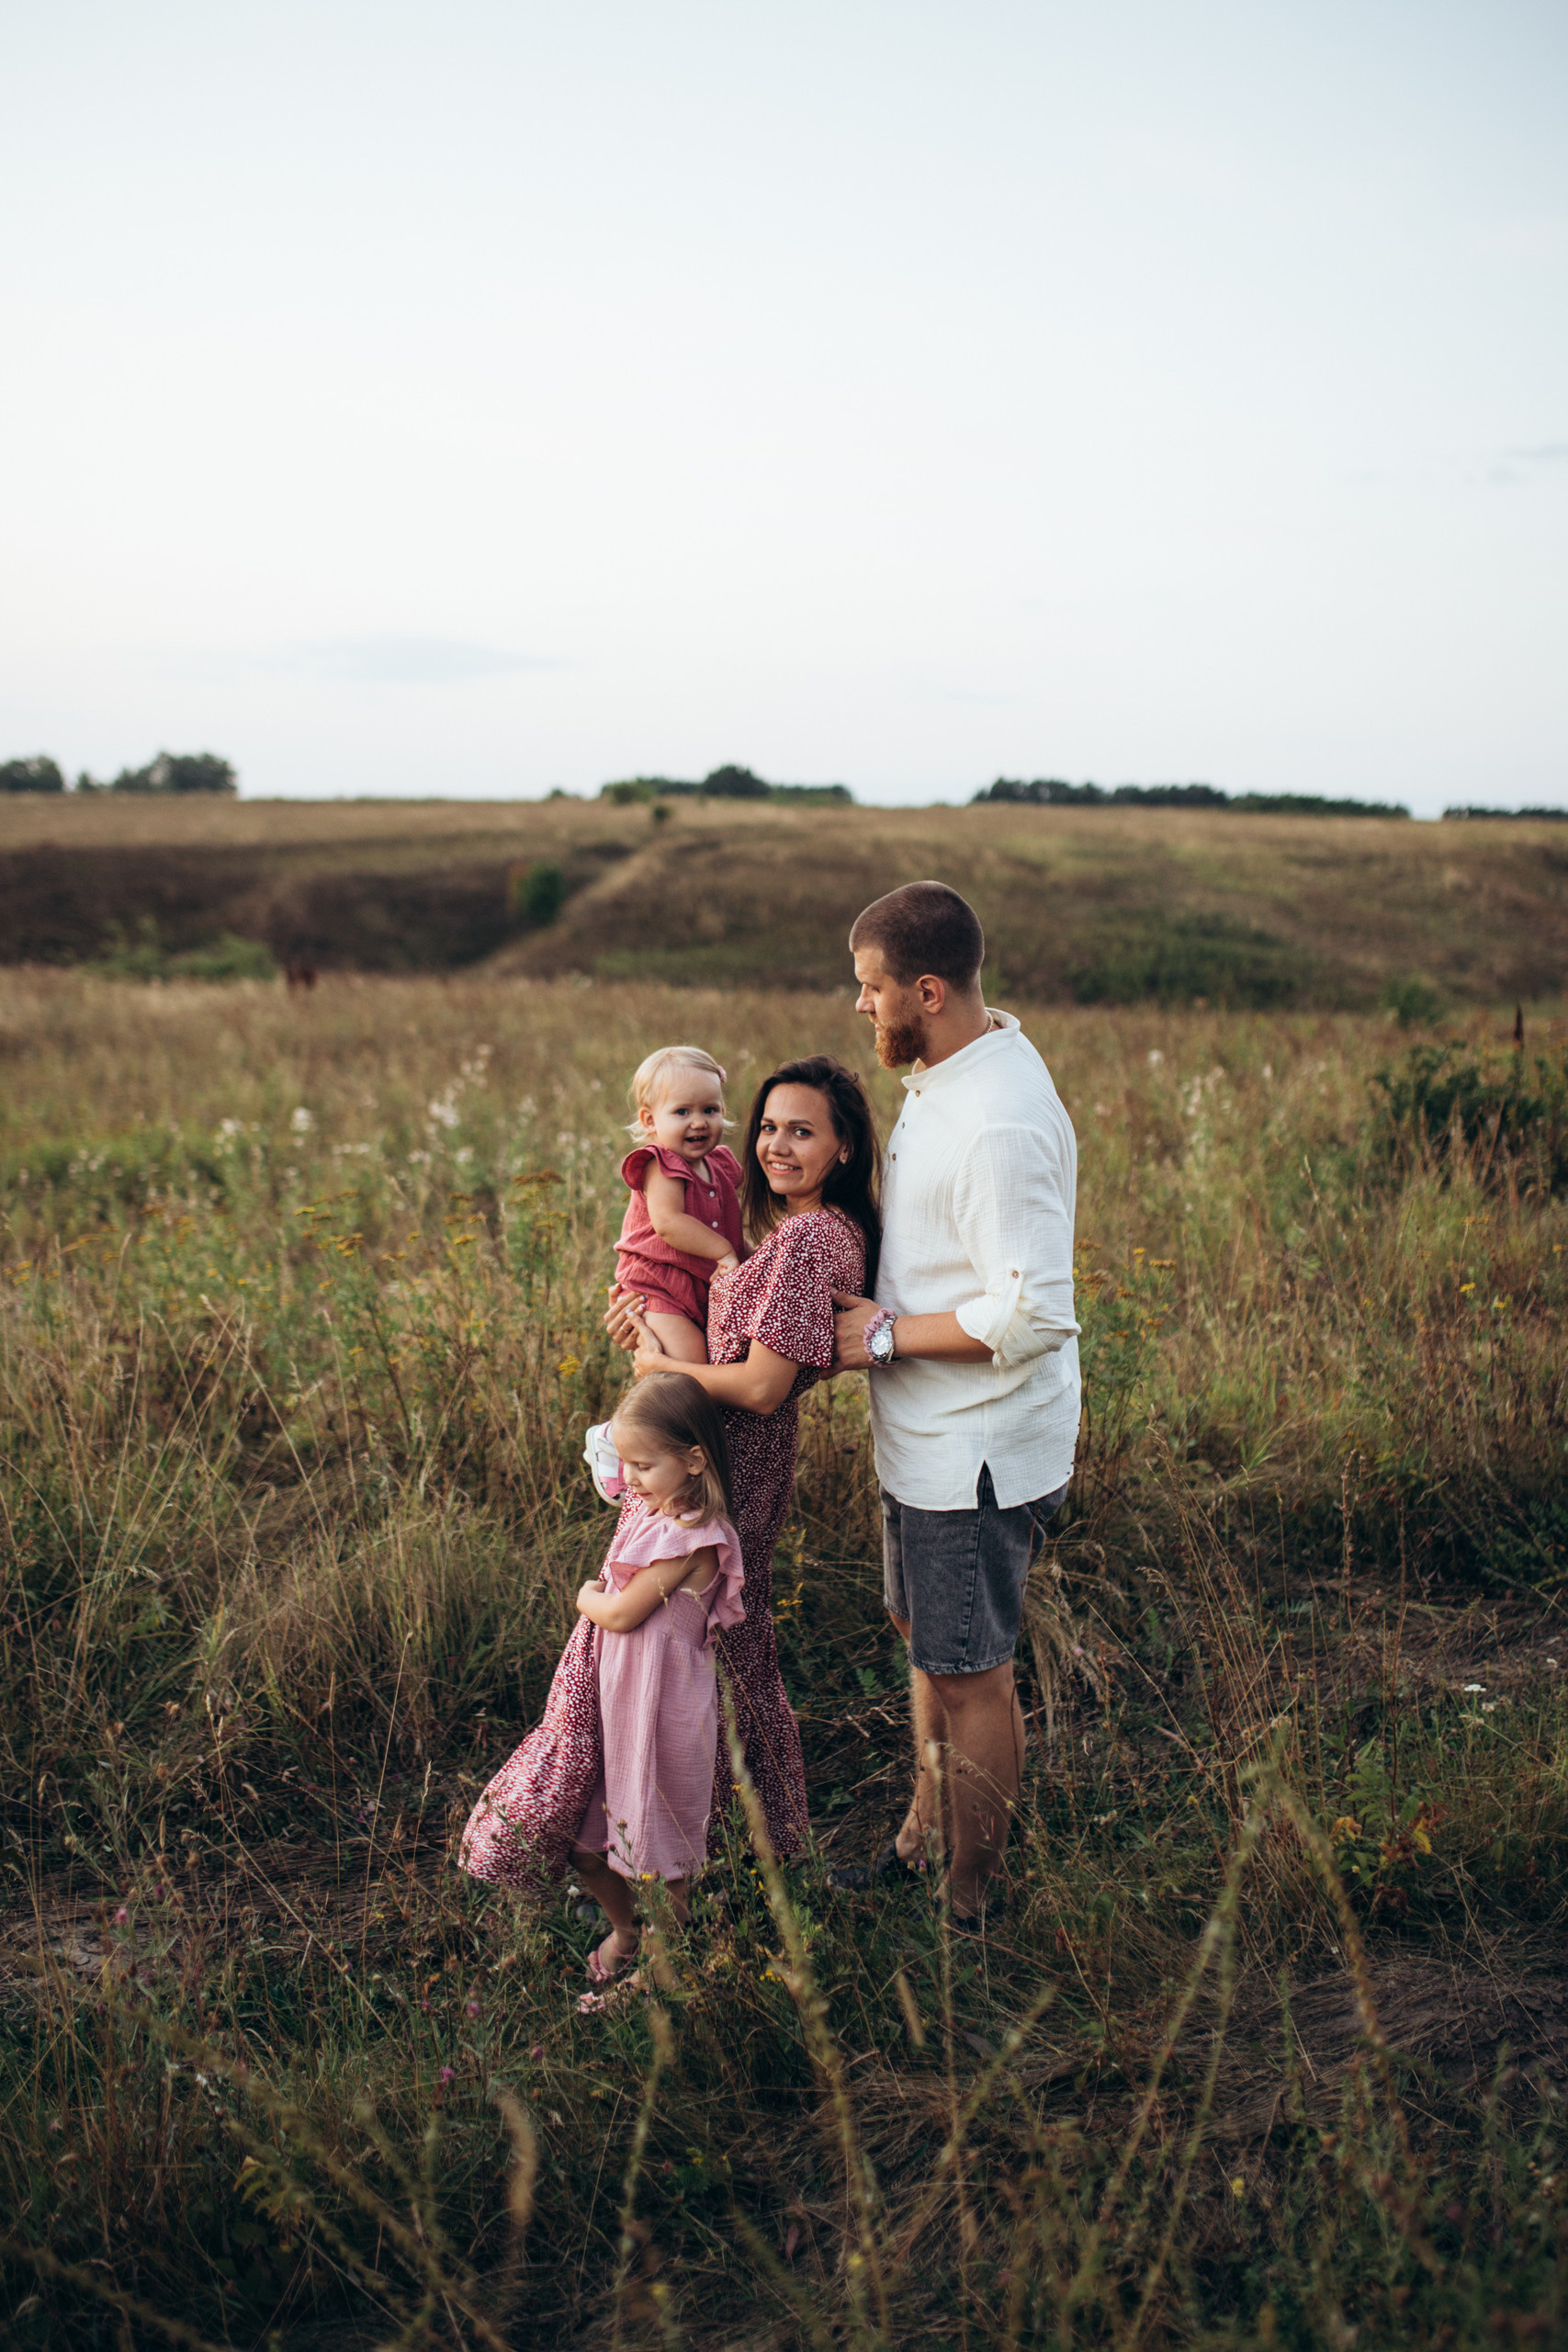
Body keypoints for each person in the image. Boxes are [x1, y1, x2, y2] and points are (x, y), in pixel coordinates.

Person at [830, 881, 1079, 1929]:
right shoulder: (947, 1071)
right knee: (924, 1638)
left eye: (871, 987)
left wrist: (880, 1336)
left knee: (972, 1673)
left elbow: (1034, 1311)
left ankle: (972, 1899)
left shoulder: (996, 1120)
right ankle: (922, 1835)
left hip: (972, 1447)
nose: (861, 1005)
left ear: (927, 991)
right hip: (920, 1436)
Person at [615, 1055, 880, 1862]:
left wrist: (660, 1367)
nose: (774, 1146)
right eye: (768, 1127)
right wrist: (650, 1328)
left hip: (724, 1466)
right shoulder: (818, 1234)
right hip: (720, 1457)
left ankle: (704, 1843)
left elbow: (762, 1387)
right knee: (719, 1646)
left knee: (690, 1647)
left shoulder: (804, 1240)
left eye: (801, 1131)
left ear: (843, 1147)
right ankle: (735, 1837)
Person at [459, 1373, 744, 1991]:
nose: (630, 1478)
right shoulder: (652, 1510)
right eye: (626, 1463)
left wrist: (585, 1596)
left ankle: (663, 1973)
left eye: (643, 1465)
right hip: (616, 1709)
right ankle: (626, 1931)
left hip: (662, 1714)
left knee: (659, 1859)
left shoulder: (691, 1537)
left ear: (695, 1460)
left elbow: (620, 1613)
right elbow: (620, 1477)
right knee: (587, 1845)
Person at [613, 1046, 744, 1364]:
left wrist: (756, 1258)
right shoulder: (662, 1164)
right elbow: (669, 1223)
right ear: (650, 1120)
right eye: (682, 1112)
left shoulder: (718, 1165)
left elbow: (732, 1233)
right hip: (659, 1287)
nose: (698, 1123)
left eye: (709, 1110)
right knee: (688, 1367)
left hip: (700, 1285)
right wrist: (725, 1252)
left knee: (717, 1363)